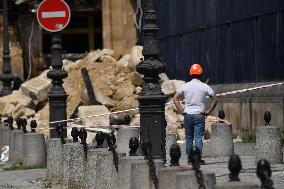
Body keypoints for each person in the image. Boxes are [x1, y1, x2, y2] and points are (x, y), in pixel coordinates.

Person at [173, 64, 218, 165]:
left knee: (189, 138)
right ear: (200, 74)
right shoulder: (204, 86)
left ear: (190, 74)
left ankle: (190, 159)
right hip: (199, 115)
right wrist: (208, 111)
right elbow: (215, 99)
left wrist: (181, 111)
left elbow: (175, 98)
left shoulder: (185, 86)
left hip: (188, 115)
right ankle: (197, 159)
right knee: (198, 138)